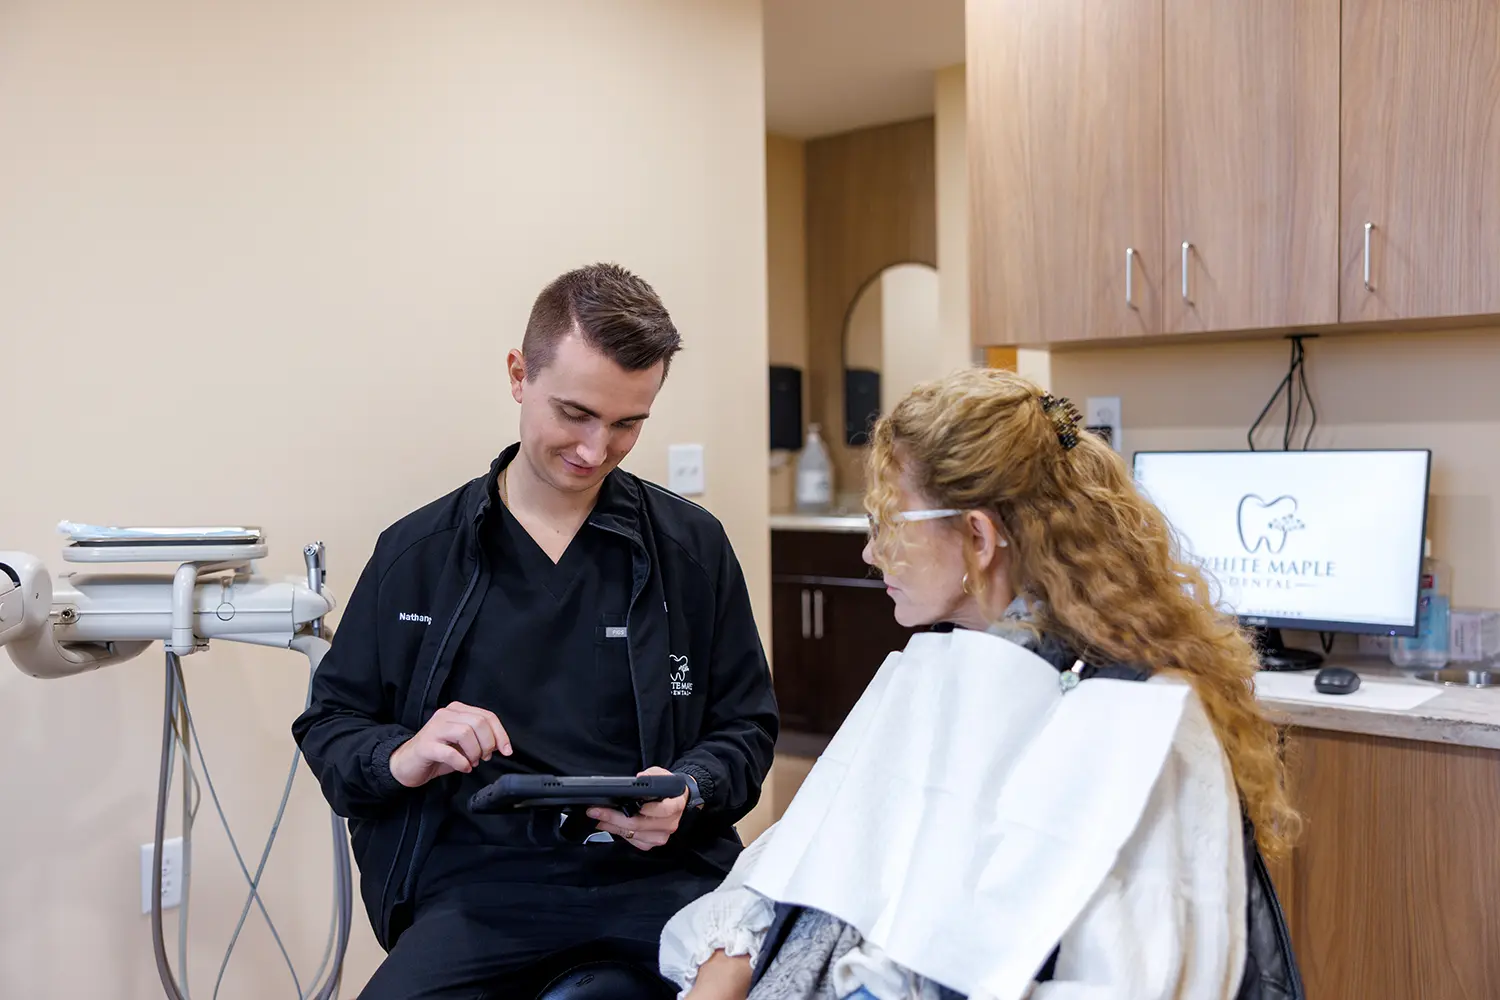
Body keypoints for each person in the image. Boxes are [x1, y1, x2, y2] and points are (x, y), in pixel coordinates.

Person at [659, 367, 1302, 1000]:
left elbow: (1132, 974)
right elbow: (798, 862)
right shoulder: (938, 672)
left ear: (977, 535)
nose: (870, 553)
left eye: (889, 524)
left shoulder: (1137, 718)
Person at [292, 262, 779, 999]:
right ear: (519, 375)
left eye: (627, 424)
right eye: (575, 414)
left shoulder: (692, 549)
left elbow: (745, 728)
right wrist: (405, 754)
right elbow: (331, 724)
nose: (595, 449)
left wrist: (690, 789)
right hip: (479, 890)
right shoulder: (417, 555)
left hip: (659, 879)